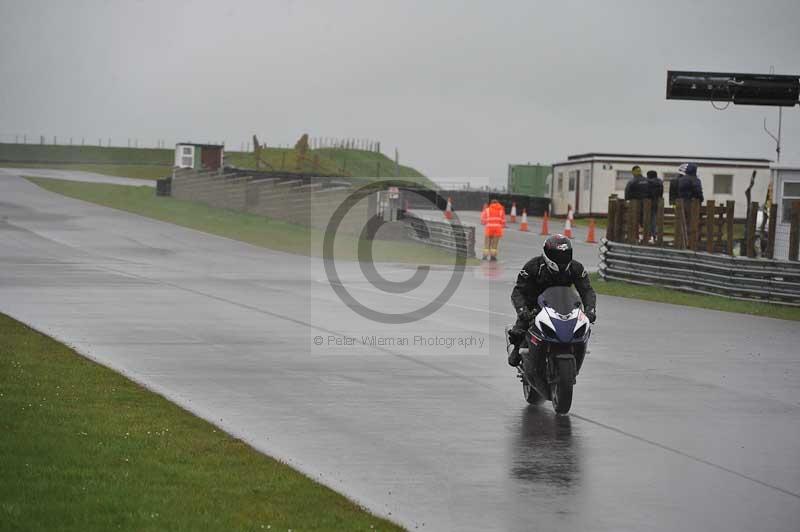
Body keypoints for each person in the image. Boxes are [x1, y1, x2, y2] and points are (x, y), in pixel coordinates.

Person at [507, 234, 597, 367]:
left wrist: (590, 310)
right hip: (535, 306)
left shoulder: (576, 268)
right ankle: (517, 349)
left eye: (565, 254)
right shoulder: (533, 267)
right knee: (519, 330)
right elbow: (518, 291)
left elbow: (587, 290)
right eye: (557, 255)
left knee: (584, 326)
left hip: (564, 305)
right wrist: (522, 310)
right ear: (547, 254)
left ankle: (577, 350)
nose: (561, 259)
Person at [646, 170, 664, 239]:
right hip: (657, 202)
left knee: (648, 219)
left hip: (649, 202)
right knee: (655, 218)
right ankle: (654, 234)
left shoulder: (648, 182)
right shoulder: (660, 182)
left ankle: (649, 234)